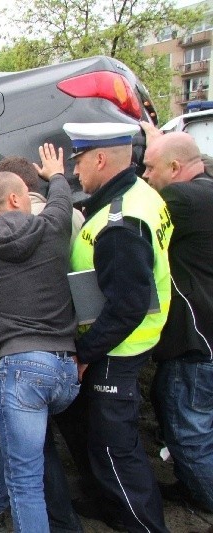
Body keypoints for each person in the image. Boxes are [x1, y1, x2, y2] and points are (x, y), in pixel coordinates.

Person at [0, 143, 81, 532]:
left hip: (22, 368)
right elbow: (60, 200)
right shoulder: (53, 228)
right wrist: (56, 174)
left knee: (26, 481)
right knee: (2, 426)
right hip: (67, 370)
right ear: (18, 197)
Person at [66, 122, 172, 533]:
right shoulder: (140, 195)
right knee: (97, 436)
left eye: (79, 161)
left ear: (99, 158)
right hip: (129, 343)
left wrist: (85, 355)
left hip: (117, 350)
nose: (76, 171)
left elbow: (127, 308)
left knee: (115, 449)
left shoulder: (121, 224)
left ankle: (144, 525)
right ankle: (109, 506)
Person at [140, 127, 213, 513]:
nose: (146, 176)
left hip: (195, 342)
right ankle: (190, 484)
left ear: (174, 166)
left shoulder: (181, 197)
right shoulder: (206, 192)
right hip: (204, 340)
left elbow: (136, 216)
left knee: (190, 433)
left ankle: (206, 498)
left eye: (151, 167)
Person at [0, 156, 85, 327]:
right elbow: (60, 200)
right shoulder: (69, 218)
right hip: (66, 331)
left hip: (9, 339)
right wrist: (56, 175)